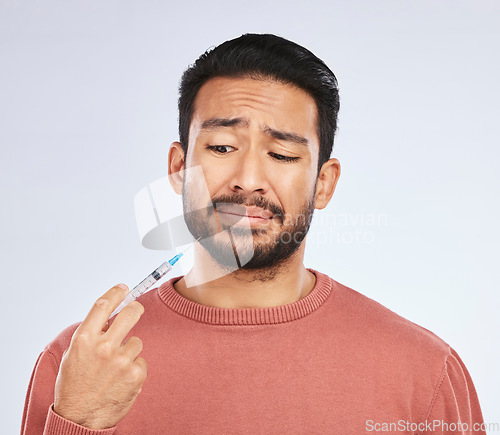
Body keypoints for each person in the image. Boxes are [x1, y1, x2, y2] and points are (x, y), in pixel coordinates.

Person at [22, 33, 485, 434]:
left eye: (282, 154)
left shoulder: (423, 371)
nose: (248, 180)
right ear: (180, 168)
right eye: (222, 147)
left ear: (323, 184)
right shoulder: (77, 364)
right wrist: (77, 420)